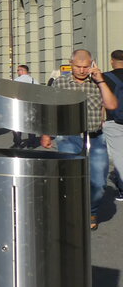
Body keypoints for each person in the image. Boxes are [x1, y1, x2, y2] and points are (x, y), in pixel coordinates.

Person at [41, 49, 118, 230]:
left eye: (86, 66)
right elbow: (50, 110)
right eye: (78, 66)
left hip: (95, 137)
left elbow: (112, 105)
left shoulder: (100, 82)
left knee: (99, 182)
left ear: (92, 64)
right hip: (69, 136)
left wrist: (100, 80)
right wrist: (46, 133)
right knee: (69, 177)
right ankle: (69, 213)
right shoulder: (60, 82)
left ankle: (91, 210)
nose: (82, 70)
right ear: (71, 63)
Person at [102, 50, 123, 201]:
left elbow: (101, 100)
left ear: (112, 61)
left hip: (113, 120)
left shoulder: (105, 77)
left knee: (119, 156)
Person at [12, 64, 37, 149]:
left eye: (18, 70)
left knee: (16, 125)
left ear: (22, 71)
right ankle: (31, 144)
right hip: (31, 106)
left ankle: (17, 143)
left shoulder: (16, 80)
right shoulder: (34, 81)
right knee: (31, 126)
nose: (18, 72)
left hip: (18, 106)